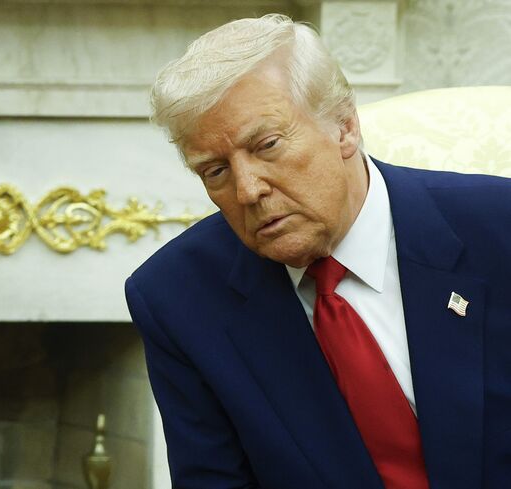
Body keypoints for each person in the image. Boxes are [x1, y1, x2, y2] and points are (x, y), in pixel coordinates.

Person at [126, 13, 511, 489]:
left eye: (266, 145)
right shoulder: (178, 297)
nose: (247, 191)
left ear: (344, 126)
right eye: (215, 172)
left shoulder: (498, 228)